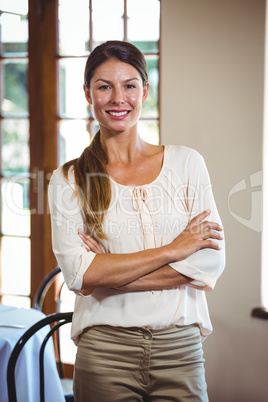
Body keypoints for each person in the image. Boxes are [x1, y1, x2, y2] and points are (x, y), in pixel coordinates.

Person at [48, 40, 225, 402]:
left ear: (145, 90)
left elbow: (209, 262)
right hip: (105, 352)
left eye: (129, 85)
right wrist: (174, 250)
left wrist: (109, 278)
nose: (118, 98)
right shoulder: (67, 180)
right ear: (87, 93)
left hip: (181, 350)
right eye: (104, 86)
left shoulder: (186, 163)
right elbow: (81, 275)